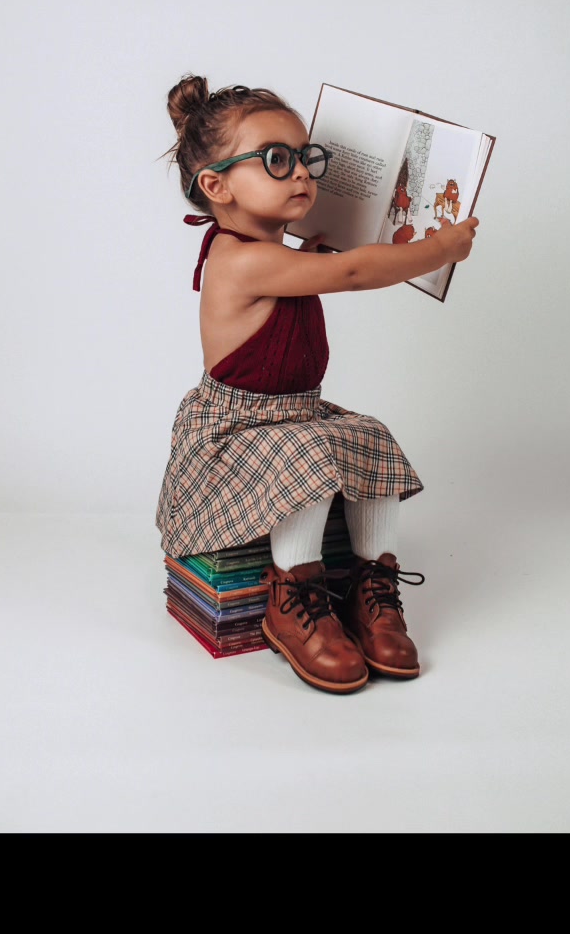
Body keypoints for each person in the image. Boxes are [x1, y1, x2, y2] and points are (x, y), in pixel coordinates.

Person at [156, 75, 479, 695]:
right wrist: (438, 248)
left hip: (294, 413)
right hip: (236, 430)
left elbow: (316, 270)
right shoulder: (239, 259)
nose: (302, 172)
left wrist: (311, 255)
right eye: (276, 160)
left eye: (306, 157)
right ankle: (294, 594)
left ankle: (369, 584)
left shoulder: (277, 257)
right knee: (304, 450)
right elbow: (353, 273)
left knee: (368, 433)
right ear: (217, 186)